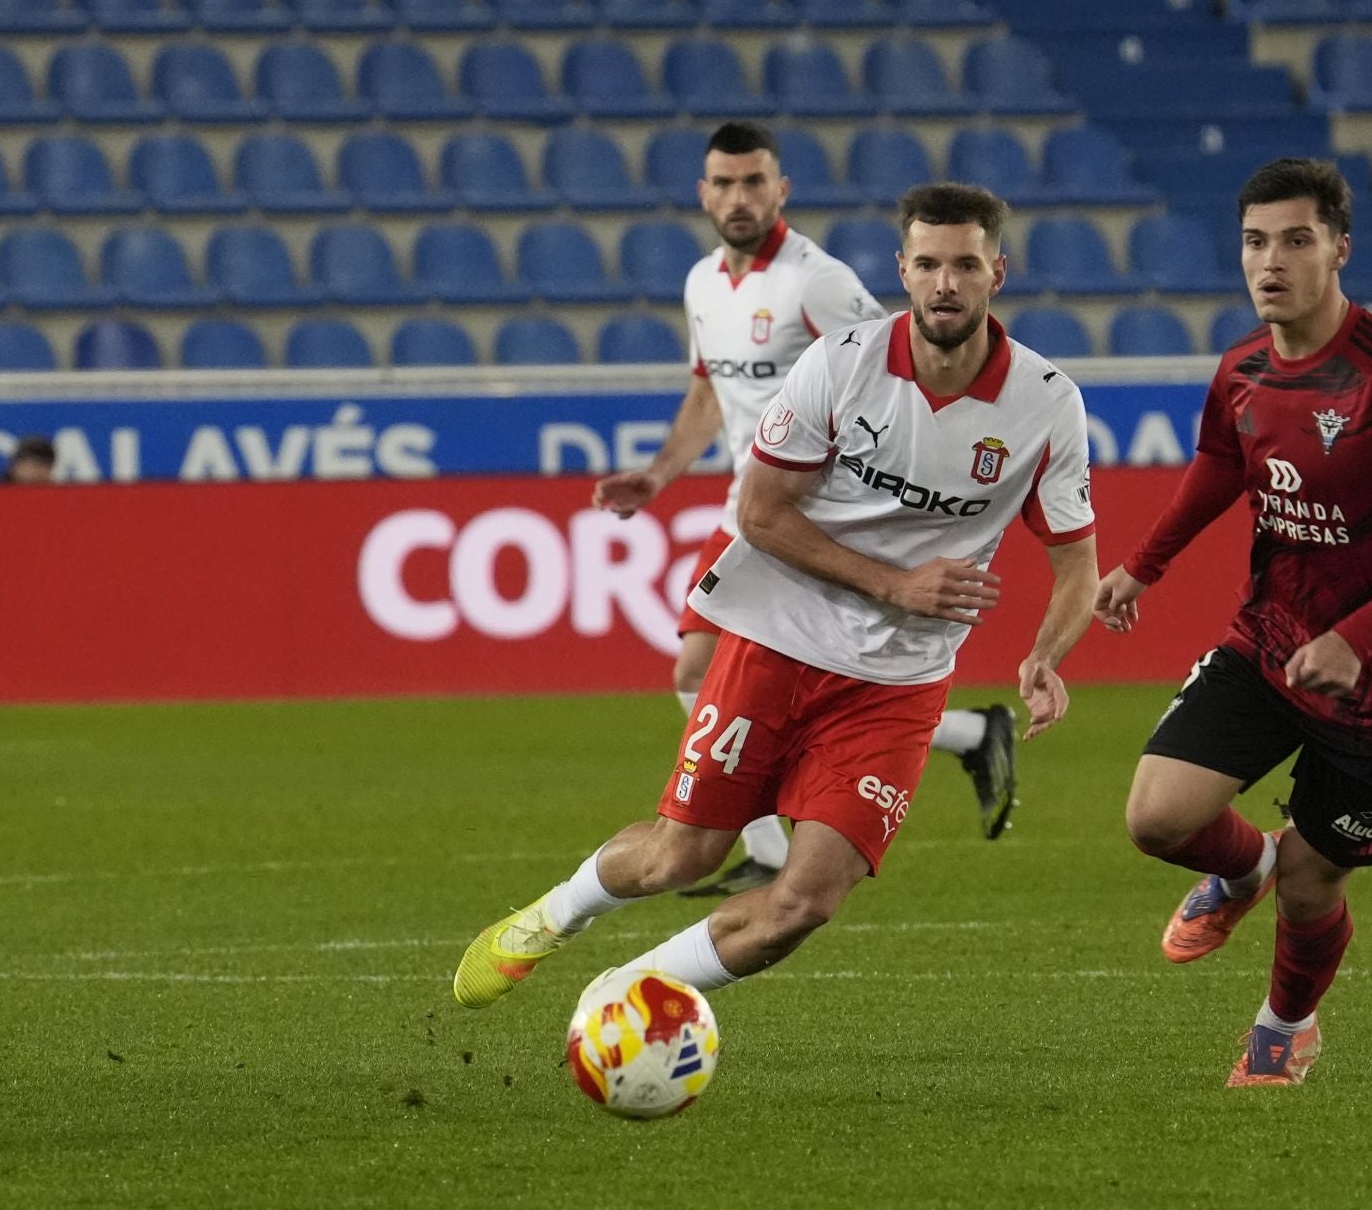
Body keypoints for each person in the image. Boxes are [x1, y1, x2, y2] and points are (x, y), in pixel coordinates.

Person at [455, 182, 1098, 1012]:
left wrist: (1047, 653)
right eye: (929, 264)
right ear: (902, 269)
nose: (946, 283)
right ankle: (550, 916)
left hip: (898, 685)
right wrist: (896, 583)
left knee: (804, 904)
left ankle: (624, 998)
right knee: (679, 857)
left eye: (965, 265)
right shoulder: (840, 364)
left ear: (996, 273)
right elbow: (759, 514)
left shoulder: (1046, 404)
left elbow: (1077, 563)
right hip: (779, 642)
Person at [1094, 158, 1372, 1087]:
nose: (1271, 261)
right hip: (1270, 638)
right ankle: (1241, 871)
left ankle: (1284, 1026)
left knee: (1316, 881)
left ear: (1340, 249)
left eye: (1296, 240)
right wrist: (1142, 564)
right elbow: (1218, 465)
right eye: (1255, 241)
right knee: (1156, 817)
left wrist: (1357, 637)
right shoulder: (1242, 368)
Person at [593, 124, 1020, 899]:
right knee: (699, 667)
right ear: (703, 192)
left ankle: (760, 839)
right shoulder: (700, 283)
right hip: (746, 502)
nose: (738, 197)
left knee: (715, 667)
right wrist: (658, 476)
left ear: (781, 189)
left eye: (754, 181)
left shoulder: (815, 281)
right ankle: (964, 734)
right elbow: (707, 391)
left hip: (815, 506)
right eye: (723, 183)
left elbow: (890, 360)